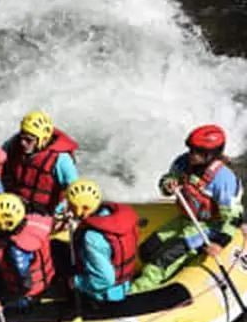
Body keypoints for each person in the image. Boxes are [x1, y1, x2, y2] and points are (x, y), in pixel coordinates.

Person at [131, 124, 243, 293]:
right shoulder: (183, 162)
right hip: (186, 219)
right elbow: (167, 179)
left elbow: (234, 217)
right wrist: (167, 185)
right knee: (147, 249)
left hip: (208, 227)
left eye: (197, 151)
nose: (192, 154)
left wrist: (219, 243)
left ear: (210, 155)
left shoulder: (223, 179)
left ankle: (137, 291)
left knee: (163, 259)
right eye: (191, 149)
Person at [64, 179, 139, 302]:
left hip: (103, 295)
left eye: (71, 206)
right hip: (123, 285)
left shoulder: (91, 238)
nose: (68, 210)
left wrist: (76, 282)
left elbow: (105, 280)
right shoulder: (109, 214)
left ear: (84, 208)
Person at [2, 111, 79, 215]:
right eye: (22, 137)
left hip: (45, 213)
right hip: (14, 206)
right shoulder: (12, 145)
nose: (22, 143)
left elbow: (75, 192)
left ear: (43, 140)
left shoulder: (61, 159)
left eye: (29, 140)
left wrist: (59, 212)